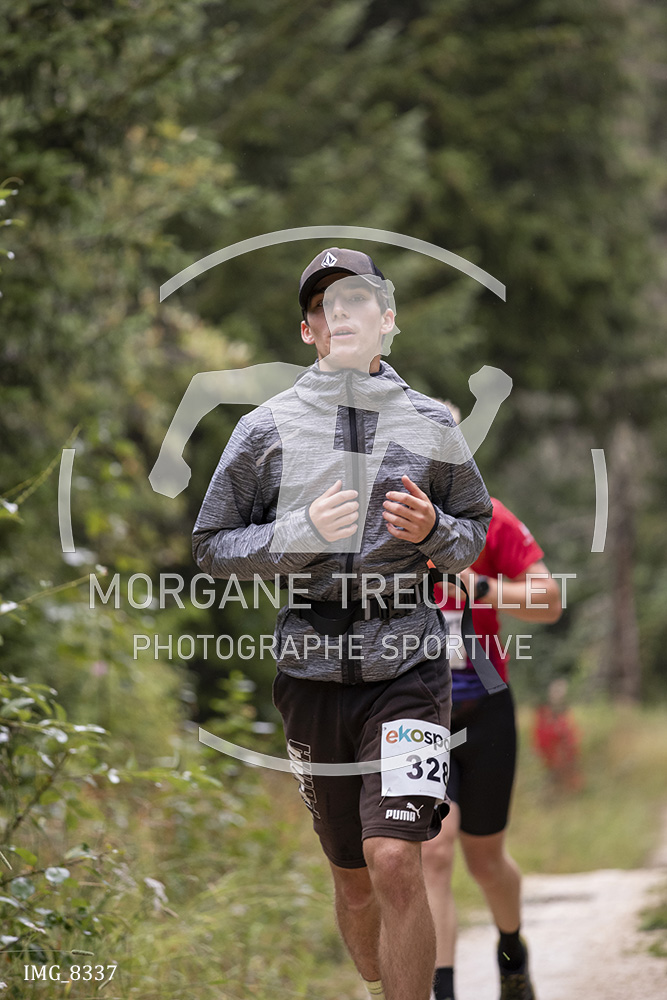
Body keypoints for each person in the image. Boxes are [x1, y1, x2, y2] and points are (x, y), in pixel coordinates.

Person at [191, 248, 501, 1000]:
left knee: (396, 858)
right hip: (311, 674)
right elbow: (211, 545)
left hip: (409, 668)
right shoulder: (265, 429)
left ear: (386, 320)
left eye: (358, 299)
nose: (343, 314)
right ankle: (377, 985)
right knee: (354, 881)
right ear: (310, 332)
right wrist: (295, 534)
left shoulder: (432, 424)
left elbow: (474, 532)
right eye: (326, 306)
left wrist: (433, 529)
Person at [421, 439, 563, 1000]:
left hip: (484, 709)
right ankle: (443, 991)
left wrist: (480, 586)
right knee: (434, 851)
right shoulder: (385, 527)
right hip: (417, 714)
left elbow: (549, 601)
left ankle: (512, 953)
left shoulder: (491, 520)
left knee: (485, 861)